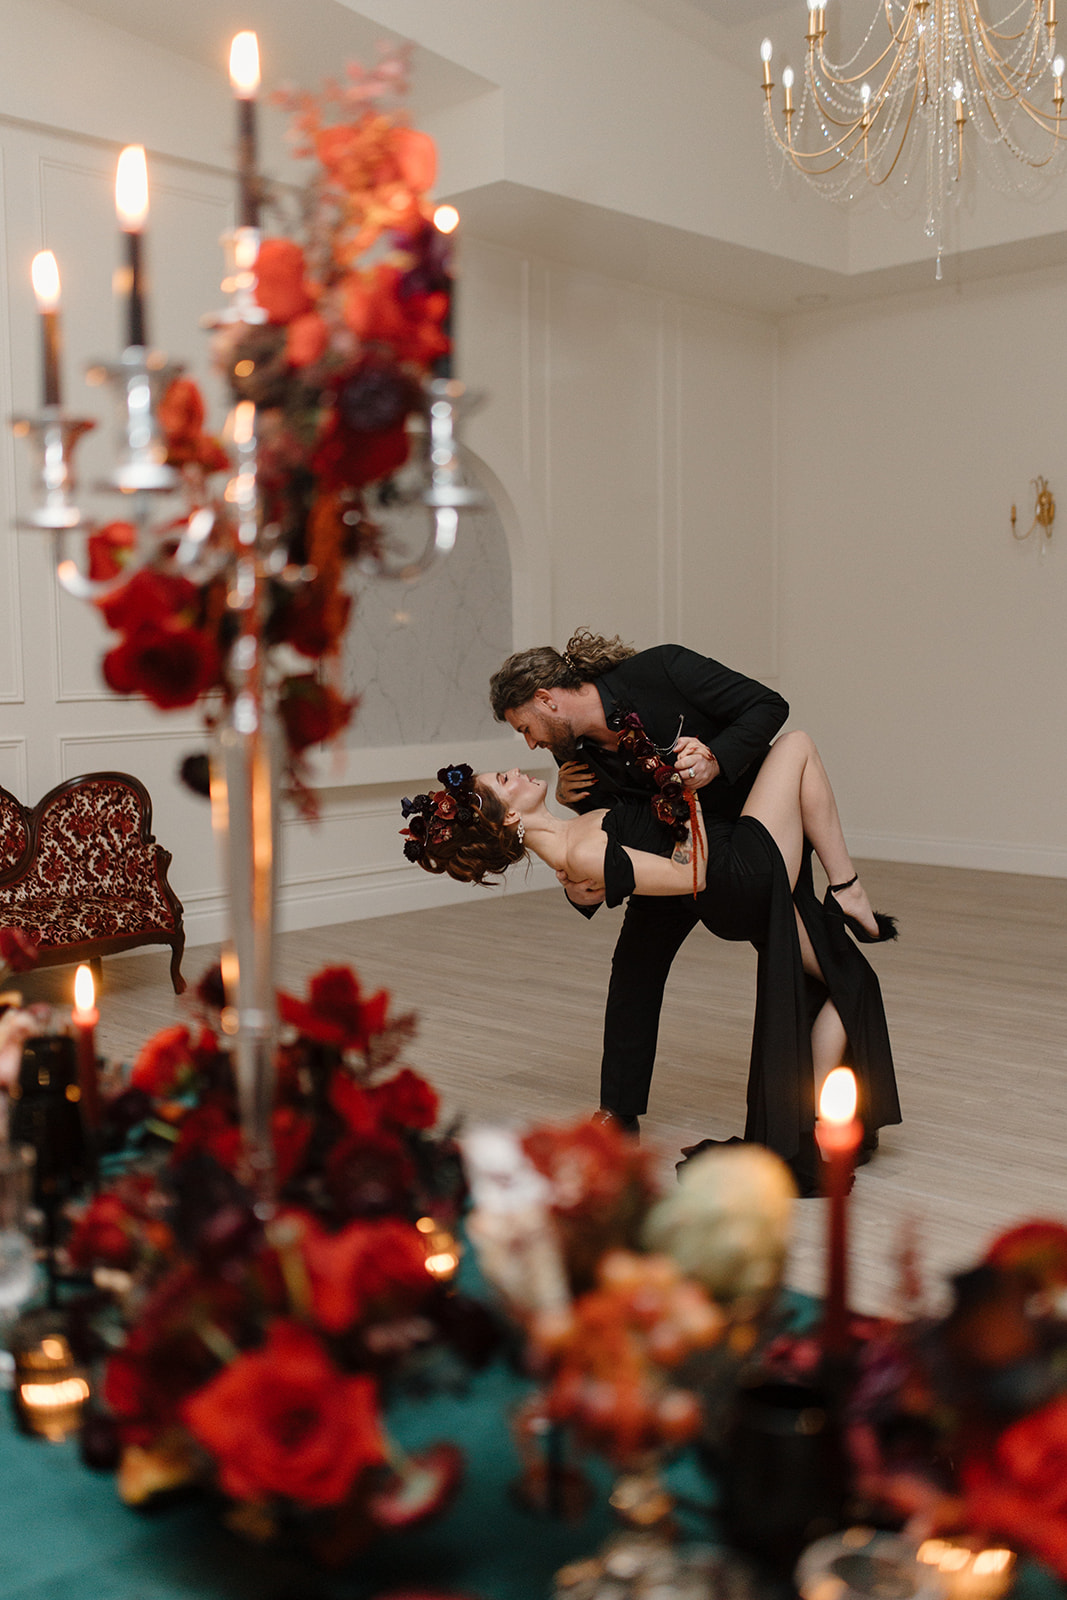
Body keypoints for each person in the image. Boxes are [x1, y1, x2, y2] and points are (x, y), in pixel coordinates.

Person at [400, 727, 901, 1194]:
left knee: (849, 981)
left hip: (735, 871)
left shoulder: (573, 840)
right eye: (504, 781)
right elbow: (692, 877)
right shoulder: (580, 854)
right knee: (795, 746)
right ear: (509, 817)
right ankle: (848, 889)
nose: (516, 771)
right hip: (739, 879)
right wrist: (686, 794)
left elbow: (618, 861)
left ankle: (811, 1121)